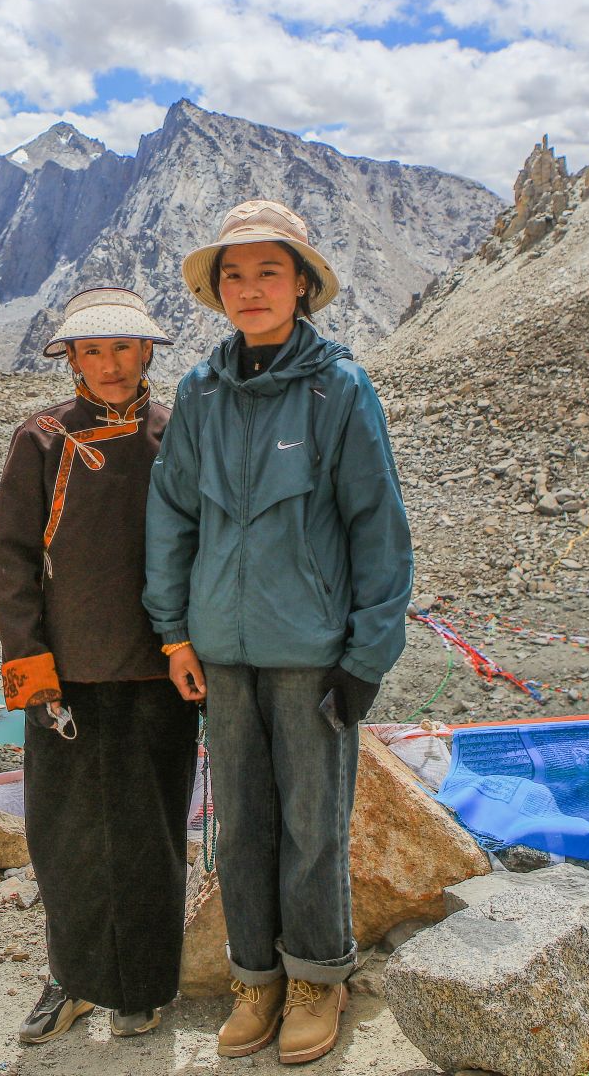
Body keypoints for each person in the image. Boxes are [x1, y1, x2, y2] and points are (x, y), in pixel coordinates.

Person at [144, 199, 413, 1065]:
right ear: (217, 290)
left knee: (312, 822)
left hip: (311, 657)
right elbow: (172, 518)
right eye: (234, 273)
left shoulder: (341, 388)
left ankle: (316, 978)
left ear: (302, 285)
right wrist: (175, 635)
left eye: (269, 271)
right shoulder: (200, 391)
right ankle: (253, 977)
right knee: (243, 824)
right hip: (223, 652)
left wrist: (365, 658)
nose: (250, 288)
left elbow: (378, 528)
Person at [0, 286, 200, 1045]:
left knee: (153, 834)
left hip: (160, 673)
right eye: (93, 351)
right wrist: (31, 668)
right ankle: (70, 981)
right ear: (72, 359)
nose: (110, 366)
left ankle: (142, 987)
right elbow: (12, 565)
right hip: (68, 677)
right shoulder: (42, 439)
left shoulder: (179, 436)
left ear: (148, 353)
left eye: (124, 348)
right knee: (64, 835)